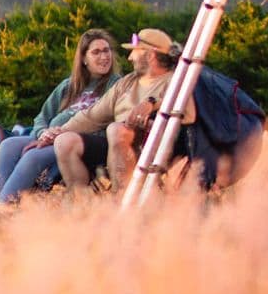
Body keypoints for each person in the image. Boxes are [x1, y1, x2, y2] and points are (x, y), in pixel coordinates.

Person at [47, 28, 192, 193]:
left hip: (154, 148)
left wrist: (152, 103)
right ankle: (80, 202)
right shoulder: (127, 82)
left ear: (150, 55)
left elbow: (186, 110)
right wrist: (57, 132)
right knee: (65, 141)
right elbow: (92, 116)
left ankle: (121, 198)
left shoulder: (175, 80)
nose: (129, 58)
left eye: (134, 52)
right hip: (115, 148)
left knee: (117, 129)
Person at [0, 29, 121, 203]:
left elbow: (107, 122)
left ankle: (2, 207)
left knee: (33, 156)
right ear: (84, 59)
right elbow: (41, 117)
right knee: (8, 145)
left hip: (73, 141)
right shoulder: (69, 85)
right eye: (96, 52)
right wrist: (43, 133)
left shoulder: (115, 85)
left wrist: (58, 135)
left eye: (107, 50)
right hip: (47, 137)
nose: (104, 56)